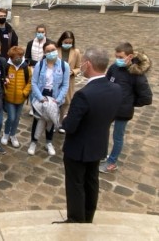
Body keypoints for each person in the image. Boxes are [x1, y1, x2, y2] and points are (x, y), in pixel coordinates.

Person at [58, 47, 122, 223]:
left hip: (78, 149)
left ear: (88, 64)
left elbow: (70, 126)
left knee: (76, 185)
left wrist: (65, 118)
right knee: (92, 182)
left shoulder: (84, 94)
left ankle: (77, 220)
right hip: (98, 145)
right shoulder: (116, 89)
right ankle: (88, 216)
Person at [99, 42, 152, 173]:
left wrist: (130, 102)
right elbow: (106, 83)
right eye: (116, 56)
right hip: (110, 107)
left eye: (121, 57)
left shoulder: (136, 74)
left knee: (118, 136)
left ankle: (112, 162)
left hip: (123, 111)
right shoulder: (114, 68)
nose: (118, 59)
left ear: (130, 56)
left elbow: (146, 97)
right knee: (102, 130)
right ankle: (101, 154)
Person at [28, 40, 69, 156]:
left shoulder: (64, 66)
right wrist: (40, 97)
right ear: (44, 53)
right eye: (48, 51)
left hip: (55, 96)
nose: (51, 52)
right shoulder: (40, 65)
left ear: (56, 49)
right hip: (41, 94)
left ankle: (49, 142)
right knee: (38, 118)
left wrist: (59, 99)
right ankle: (34, 142)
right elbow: (34, 83)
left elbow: (65, 84)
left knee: (51, 119)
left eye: (53, 50)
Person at [1, 46, 32, 148]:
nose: (17, 59)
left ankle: (13, 135)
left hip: (20, 98)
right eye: (15, 57)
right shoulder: (7, 66)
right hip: (9, 98)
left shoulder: (26, 67)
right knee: (11, 117)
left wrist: (25, 92)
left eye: (19, 56)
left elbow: (30, 82)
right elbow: (3, 78)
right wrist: (5, 90)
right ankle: (6, 134)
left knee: (17, 118)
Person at [56, 31, 81, 133]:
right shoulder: (56, 50)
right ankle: (53, 122)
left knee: (65, 103)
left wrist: (73, 72)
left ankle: (62, 123)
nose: (68, 44)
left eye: (70, 42)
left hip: (69, 80)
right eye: (66, 42)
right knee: (55, 101)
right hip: (56, 80)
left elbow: (78, 67)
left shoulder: (76, 52)